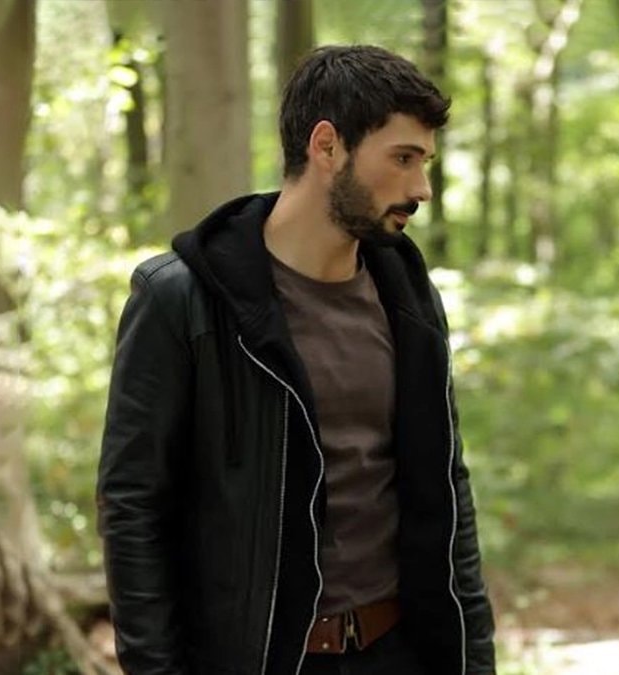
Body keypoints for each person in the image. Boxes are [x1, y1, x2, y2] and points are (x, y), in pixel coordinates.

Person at [98, 45, 495, 675]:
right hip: (262, 659)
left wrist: (474, 659)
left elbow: (448, 488)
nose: (421, 188)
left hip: (401, 652)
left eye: (424, 162)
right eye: (403, 158)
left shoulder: (409, 296)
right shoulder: (182, 299)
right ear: (327, 146)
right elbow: (133, 508)